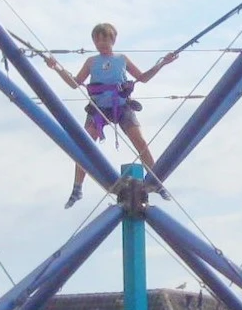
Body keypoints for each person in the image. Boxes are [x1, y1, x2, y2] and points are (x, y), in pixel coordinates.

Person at [40, 24, 179, 207]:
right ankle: (77, 188)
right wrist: (56, 68)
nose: (101, 43)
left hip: (121, 106)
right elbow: (75, 83)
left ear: (113, 40)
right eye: (97, 40)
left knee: (140, 141)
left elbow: (143, 77)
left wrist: (162, 63)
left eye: (105, 39)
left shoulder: (122, 59)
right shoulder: (91, 61)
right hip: (98, 109)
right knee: (84, 146)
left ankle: (156, 181)